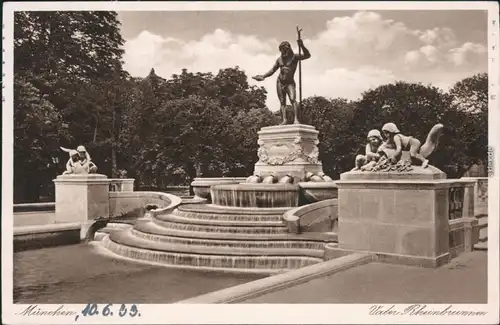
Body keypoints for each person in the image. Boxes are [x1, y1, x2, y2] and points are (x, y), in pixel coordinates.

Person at [253, 39, 311, 125]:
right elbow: (273, 70)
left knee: (292, 99)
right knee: (282, 101)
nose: (282, 52)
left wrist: (302, 46)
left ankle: (296, 119)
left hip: (290, 83)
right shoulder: (279, 59)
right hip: (280, 82)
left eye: (284, 50)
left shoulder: (295, 57)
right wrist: (263, 76)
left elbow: (307, 55)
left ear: (288, 49)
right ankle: (284, 120)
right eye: (281, 51)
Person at [379, 123, 444, 168]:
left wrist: (394, 156)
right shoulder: (392, 139)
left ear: (391, 131)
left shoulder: (396, 137)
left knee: (412, 154)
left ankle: (424, 161)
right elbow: (386, 145)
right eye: (384, 133)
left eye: (386, 133)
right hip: (412, 143)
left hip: (414, 142)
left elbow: (399, 149)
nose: (385, 135)